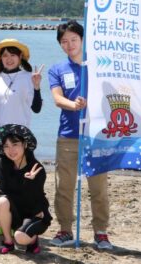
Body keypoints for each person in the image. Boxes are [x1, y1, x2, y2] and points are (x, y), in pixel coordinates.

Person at [47, 20, 112, 250]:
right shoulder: (57, 69)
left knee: (98, 187)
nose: (70, 44)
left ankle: (101, 232)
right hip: (68, 135)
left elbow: (111, 93)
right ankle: (65, 230)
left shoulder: (97, 65)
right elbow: (57, 98)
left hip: (96, 134)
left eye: (74, 40)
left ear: (82, 40)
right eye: (64, 41)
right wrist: (74, 105)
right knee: (63, 185)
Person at [0, 38, 43, 179]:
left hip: (20, 138)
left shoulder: (29, 77)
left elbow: (37, 108)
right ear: (0, 58)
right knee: (1, 179)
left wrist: (37, 87)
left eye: (12, 55)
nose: (9, 59)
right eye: (5, 55)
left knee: (24, 177)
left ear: (20, 57)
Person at [0, 124, 51, 255]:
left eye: (15, 144)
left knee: (21, 238)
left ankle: (33, 240)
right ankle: (8, 242)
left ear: (24, 144)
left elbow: (36, 202)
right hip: (15, 211)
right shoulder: (3, 163)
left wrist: (30, 183)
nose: (11, 150)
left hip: (34, 213)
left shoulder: (36, 168)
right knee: (1, 201)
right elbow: (3, 192)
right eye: (6, 146)